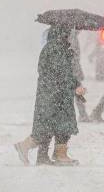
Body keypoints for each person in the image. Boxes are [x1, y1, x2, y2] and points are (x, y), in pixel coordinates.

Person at [14, 25, 84, 166]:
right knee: (55, 126)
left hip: (52, 93)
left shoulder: (54, 48)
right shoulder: (56, 49)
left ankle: (44, 155)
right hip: (56, 94)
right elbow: (62, 73)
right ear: (62, 34)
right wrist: (75, 85)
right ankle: (48, 152)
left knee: (50, 125)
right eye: (67, 32)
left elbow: (61, 72)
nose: (69, 35)